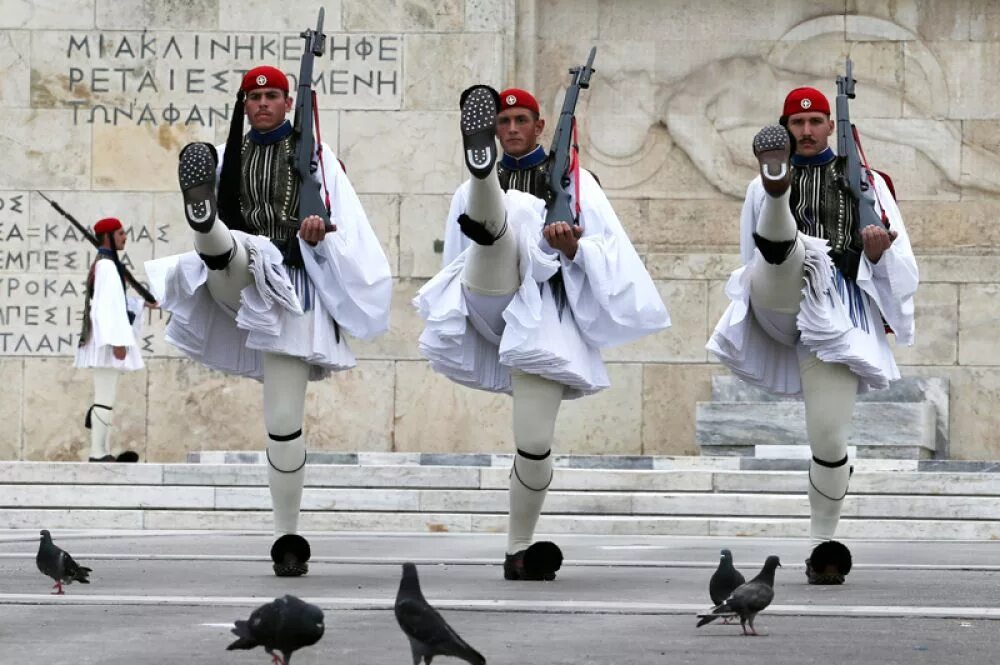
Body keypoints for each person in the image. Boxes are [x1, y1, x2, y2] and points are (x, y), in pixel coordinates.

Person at [415, 85, 670, 581]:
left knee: (532, 441)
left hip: (544, 316)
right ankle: (486, 181)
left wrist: (572, 248)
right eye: (502, 121)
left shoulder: (577, 184)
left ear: (539, 127)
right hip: (490, 295)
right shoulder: (462, 195)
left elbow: (611, 251)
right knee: (495, 225)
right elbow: (454, 262)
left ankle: (518, 550)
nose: (511, 128)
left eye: (520, 120)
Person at [155, 65, 392, 577]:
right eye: (254, 97)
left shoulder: (319, 160)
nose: (262, 104)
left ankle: (287, 537)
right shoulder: (226, 159)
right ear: (245, 106)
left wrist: (319, 235)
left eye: (272, 96)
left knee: (283, 422)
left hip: (289, 289)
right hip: (239, 276)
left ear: (289, 103)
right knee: (233, 250)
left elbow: (351, 234)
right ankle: (205, 224)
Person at [707, 87, 919, 584]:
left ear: (830, 127)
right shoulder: (755, 188)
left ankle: (821, 548)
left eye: (815, 122)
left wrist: (876, 253)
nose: (806, 131)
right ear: (784, 130)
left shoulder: (869, 184)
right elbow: (748, 259)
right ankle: (782, 195)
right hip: (781, 292)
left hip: (836, 314)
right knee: (787, 250)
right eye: (797, 124)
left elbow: (904, 268)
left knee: (827, 437)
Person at [74, 217, 152, 463]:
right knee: (104, 398)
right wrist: (118, 342)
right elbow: (106, 308)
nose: (125, 237)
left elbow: (117, 303)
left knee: (105, 397)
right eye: (120, 233)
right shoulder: (107, 266)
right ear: (107, 236)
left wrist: (142, 303)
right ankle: (98, 453)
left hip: (105, 339)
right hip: (107, 341)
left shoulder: (107, 264)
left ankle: (101, 450)